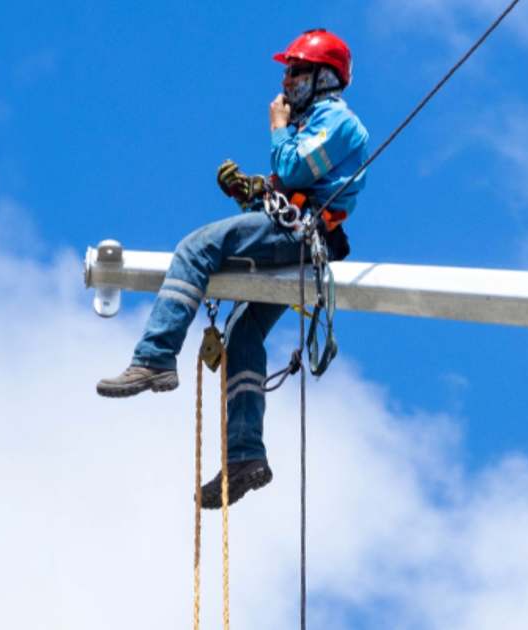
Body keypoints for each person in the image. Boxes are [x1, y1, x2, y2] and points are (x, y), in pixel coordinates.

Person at [96, 28, 369, 508]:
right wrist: (254, 191)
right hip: (297, 233)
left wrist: (279, 126)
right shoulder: (317, 123)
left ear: (324, 78)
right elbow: (291, 181)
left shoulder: (341, 124)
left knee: (196, 249)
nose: (287, 82)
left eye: (296, 72)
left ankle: (155, 357)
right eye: (287, 72)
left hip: (302, 236)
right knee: (244, 334)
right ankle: (246, 454)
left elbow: (295, 168)